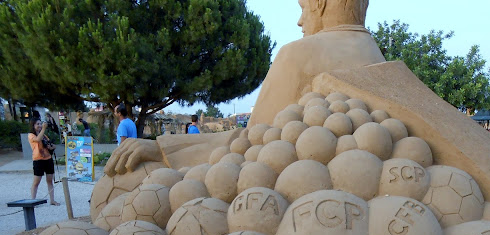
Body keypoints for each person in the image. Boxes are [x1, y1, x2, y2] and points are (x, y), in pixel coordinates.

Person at [104, 0, 384, 176]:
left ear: (319, 4)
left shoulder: (299, 54)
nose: (300, 21)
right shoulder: (377, 56)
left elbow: (248, 142)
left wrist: (161, 147)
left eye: (302, 8)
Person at [28, 117, 59, 205]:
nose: (40, 125)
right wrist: (43, 129)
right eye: (37, 124)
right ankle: (33, 200)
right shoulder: (31, 135)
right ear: (33, 125)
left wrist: (52, 147)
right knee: (36, 182)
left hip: (48, 159)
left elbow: (51, 144)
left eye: (40, 124)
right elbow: (37, 139)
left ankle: (52, 200)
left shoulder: (44, 136)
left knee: (50, 180)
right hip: (38, 160)